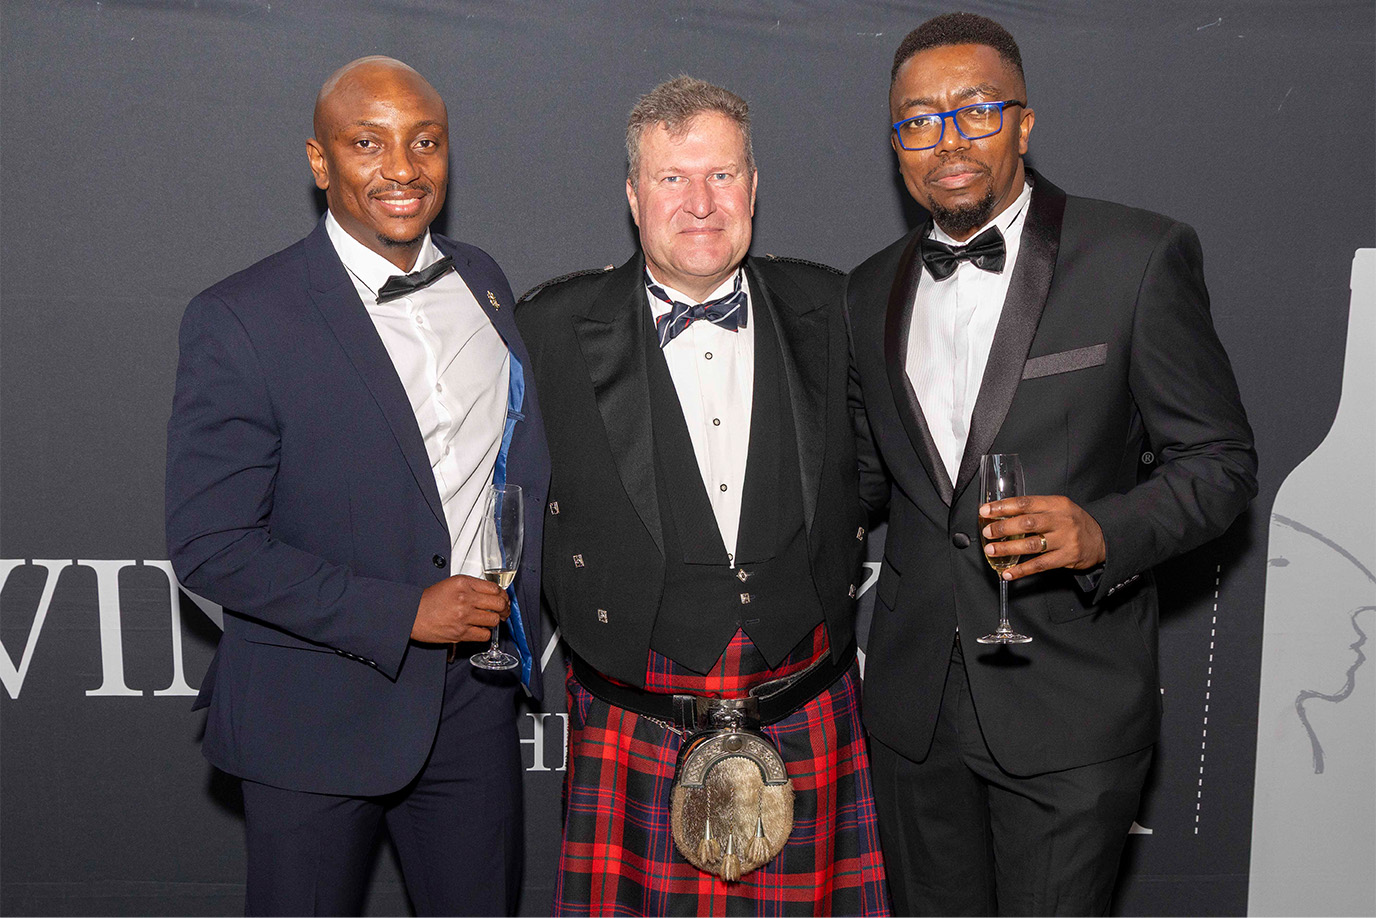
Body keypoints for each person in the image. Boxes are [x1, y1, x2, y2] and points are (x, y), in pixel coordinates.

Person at [846, 13, 1258, 916]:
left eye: (975, 110)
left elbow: (1220, 462)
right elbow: (868, 479)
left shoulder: (1136, 256)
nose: (947, 140)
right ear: (896, 144)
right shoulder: (869, 288)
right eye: (918, 121)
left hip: (1070, 705)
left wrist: (1102, 531)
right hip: (916, 716)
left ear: (1024, 123)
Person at [164, 56, 548, 917]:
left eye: (425, 142)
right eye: (367, 143)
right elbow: (212, 546)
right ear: (319, 160)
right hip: (313, 710)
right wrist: (402, 613)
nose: (402, 168)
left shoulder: (483, 280)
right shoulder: (242, 317)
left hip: (471, 702)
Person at [515, 76, 889, 916]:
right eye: (673, 179)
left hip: (804, 702)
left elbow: (869, 471)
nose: (701, 203)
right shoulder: (549, 329)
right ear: (633, 195)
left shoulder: (831, 307)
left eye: (721, 175)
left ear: (753, 186)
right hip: (637, 719)